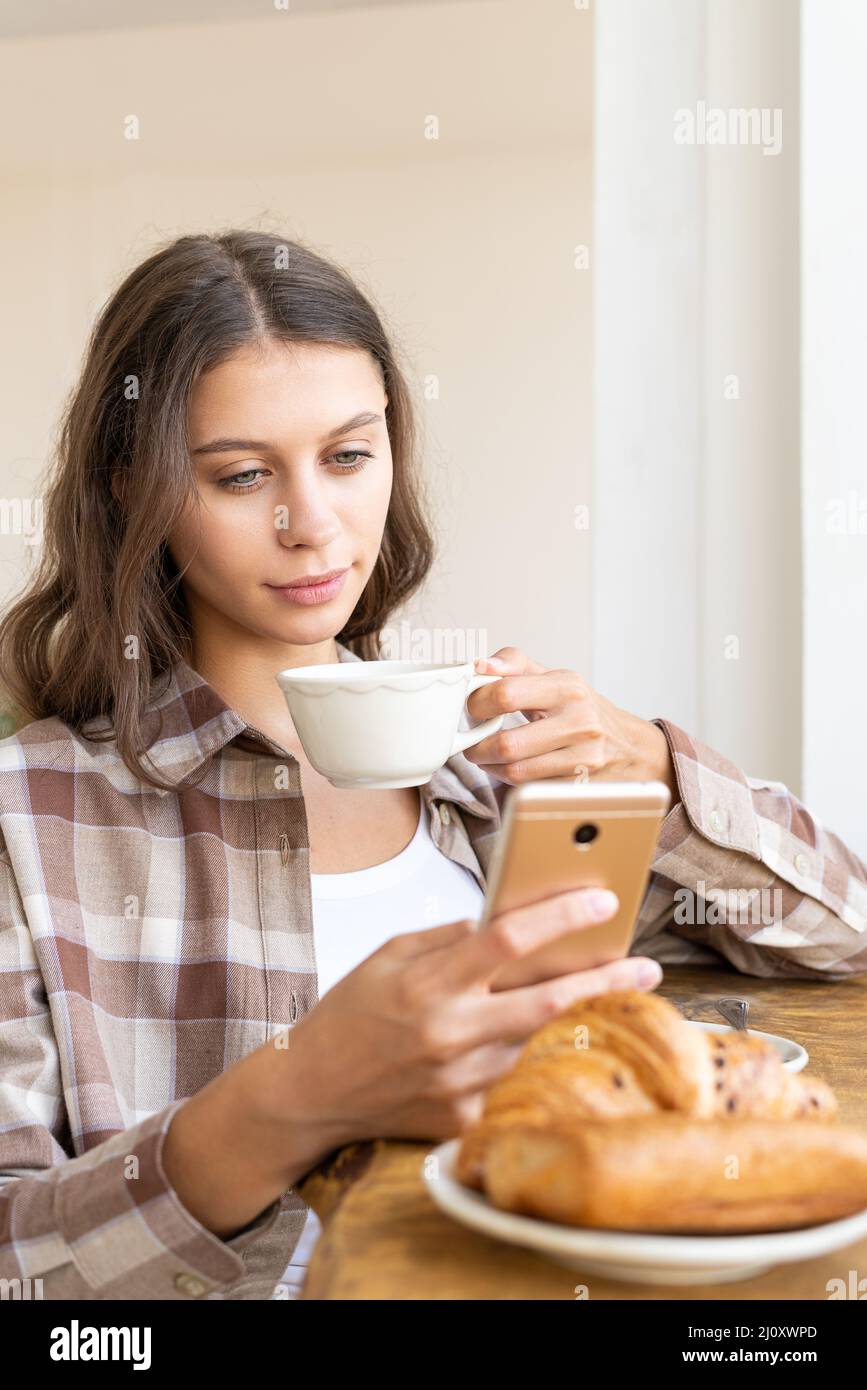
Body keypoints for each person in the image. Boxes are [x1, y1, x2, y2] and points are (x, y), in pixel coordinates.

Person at [0, 231, 864, 1302]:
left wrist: (648, 762)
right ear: (135, 490)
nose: (311, 524)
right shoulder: (31, 817)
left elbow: (842, 934)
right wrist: (291, 1096)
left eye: (349, 457)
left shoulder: (493, 782)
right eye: (240, 474)